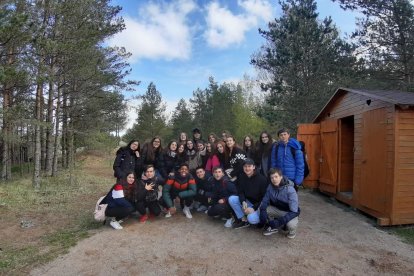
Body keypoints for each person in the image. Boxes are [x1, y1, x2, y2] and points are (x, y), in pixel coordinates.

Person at [258, 168, 300, 238]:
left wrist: (280, 221)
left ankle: (292, 232)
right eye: (272, 178)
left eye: (276, 177)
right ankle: (272, 226)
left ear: (281, 177)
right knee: (263, 209)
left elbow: (294, 211)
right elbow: (265, 200)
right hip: (278, 209)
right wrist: (262, 211)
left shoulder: (290, 190)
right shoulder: (270, 187)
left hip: (289, 212)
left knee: (291, 225)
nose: (274, 179)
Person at [228, 158, 268, 229]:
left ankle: (260, 218)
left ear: (253, 167)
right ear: (243, 167)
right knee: (232, 199)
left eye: (249, 166)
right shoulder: (241, 177)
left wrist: (253, 208)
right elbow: (240, 192)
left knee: (251, 219)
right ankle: (243, 220)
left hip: (259, 205)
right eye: (245, 166)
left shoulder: (262, 179)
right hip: (248, 201)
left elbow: (265, 198)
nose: (247, 168)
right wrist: (243, 201)